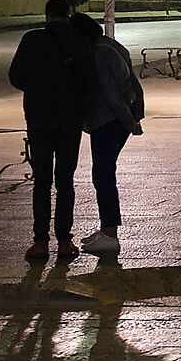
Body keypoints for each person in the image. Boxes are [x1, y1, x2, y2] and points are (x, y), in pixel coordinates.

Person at [8, 0, 85, 264]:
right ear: (68, 15)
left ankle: (40, 241)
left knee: (41, 179)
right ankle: (64, 239)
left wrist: (37, 89)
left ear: (46, 16)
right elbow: (88, 79)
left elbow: (15, 76)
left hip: (39, 119)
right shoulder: (77, 40)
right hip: (70, 120)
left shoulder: (32, 40)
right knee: (65, 179)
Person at [70, 14, 145, 264]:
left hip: (107, 120)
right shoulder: (112, 46)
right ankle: (106, 229)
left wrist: (129, 120)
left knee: (102, 175)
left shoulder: (97, 54)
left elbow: (109, 93)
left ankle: (110, 232)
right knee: (103, 173)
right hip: (118, 119)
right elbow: (133, 83)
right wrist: (135, 114)